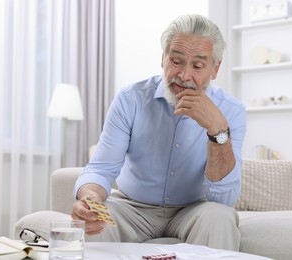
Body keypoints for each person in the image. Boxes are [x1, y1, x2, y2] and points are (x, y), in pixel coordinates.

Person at [71, 14, 246, 251]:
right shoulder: (130, 99)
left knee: (219, 218)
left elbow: (223, 200)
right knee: (93, 223)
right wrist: (90, 197)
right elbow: (101, 169)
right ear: (163, 59)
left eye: (197, 66)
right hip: (132, 207)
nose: (184, 76)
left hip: (194, 209)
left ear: (215, 69)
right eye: (176, 61)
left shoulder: (231, 111)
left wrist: (217, 131)